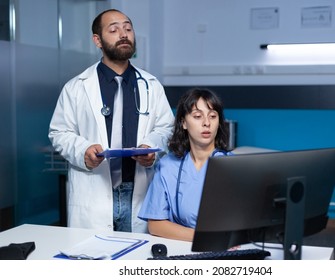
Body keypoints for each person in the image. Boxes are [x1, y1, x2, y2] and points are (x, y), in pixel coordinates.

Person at [48, 9, 174, 233]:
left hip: (139, 191)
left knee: (136, 263)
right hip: (94, 193)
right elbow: (59, 133)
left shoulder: (151, 85)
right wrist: (84, 150)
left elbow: (166, 128)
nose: (123, 34)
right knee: (94, 263)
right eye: (114, 30)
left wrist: (151, 148)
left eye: (128, 28)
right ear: (98, 40)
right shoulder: (76, 87)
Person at [138, 88, 233, 241]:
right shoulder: (167, 166)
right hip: (180, 250)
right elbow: (155, 224)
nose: (206, 123)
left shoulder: (233, 166)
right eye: (197, 116)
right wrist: (203, 238)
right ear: (183, 123)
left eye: (213, 116)